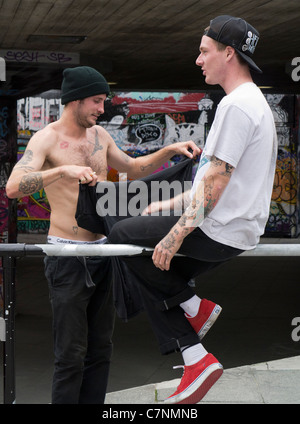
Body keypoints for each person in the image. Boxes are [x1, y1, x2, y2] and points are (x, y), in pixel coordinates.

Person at [108, 15, 278, 404]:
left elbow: (216, 185)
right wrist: (167, 205)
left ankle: (194, 328)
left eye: (204, 51)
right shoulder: (255, 104)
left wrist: (174, 233)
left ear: (228, 53)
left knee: (120, 240)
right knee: (153, 278)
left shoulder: (236, 106)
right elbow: (216, 179)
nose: (198, 60)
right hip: (236, 232)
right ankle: (193, 340)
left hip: (218, 229)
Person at [5, 65, 200, 404]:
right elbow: (13, 188)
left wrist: (170, 151)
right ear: (75, 101)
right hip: (66, 256)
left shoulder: (100, 136)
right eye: (96, 101)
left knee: (101, 348)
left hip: (104, 252)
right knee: (70, 353)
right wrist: (63, 170)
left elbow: (132, 167)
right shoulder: (47, 139)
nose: (101, 108)